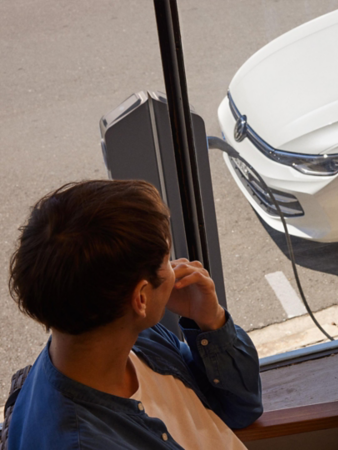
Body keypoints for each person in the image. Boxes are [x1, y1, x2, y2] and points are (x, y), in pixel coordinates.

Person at [6, 180, 263, 449]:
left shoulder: (133, 337)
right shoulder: (85, 442)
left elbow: (242, 408)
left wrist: (211, 321)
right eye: (166, 260)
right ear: (141, 298)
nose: (178, 267)